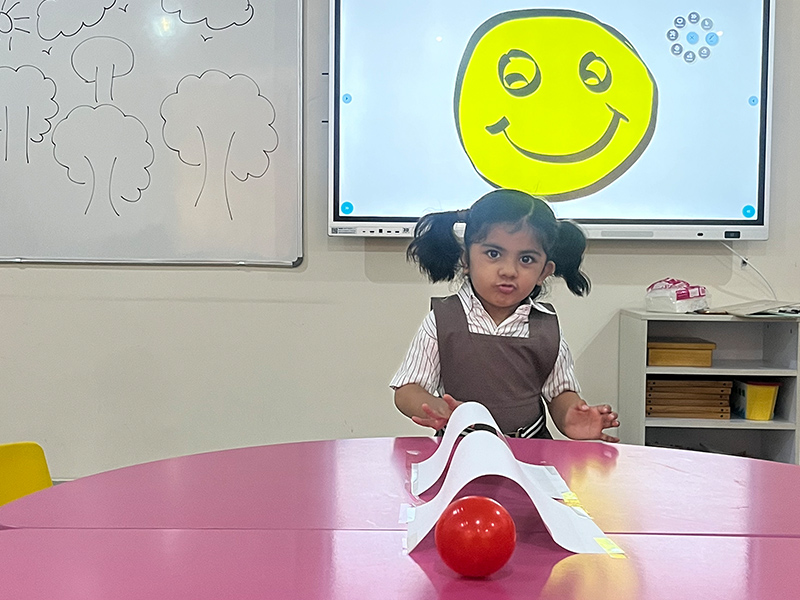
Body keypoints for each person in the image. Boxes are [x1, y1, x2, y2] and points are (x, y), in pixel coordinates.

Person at [390, 189, 619, 442]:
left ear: (544, 271)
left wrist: (571, 418)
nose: (509, 271)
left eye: (526, 259)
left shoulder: (546, 328)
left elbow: (559, 394)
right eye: (493, 254)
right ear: (466, 260)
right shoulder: (442, 320)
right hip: (460, 446)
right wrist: (436, 407)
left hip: (531, 448)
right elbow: (407, 390)